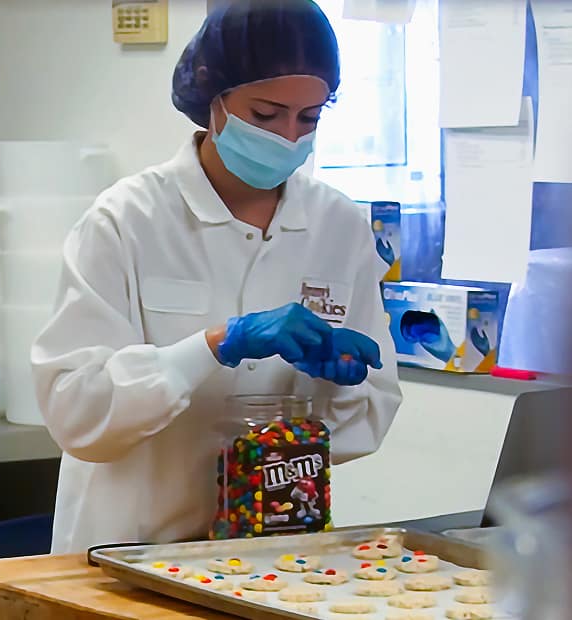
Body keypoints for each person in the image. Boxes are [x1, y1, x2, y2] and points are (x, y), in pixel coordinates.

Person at [32, 0, 402, 554]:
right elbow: (76, 414)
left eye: (310, 118)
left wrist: (340, 385)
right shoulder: (127, 219)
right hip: (128, 548)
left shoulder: (339, 225)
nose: (288, 137)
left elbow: (364, 424)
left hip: (275, 550)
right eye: (266, 115)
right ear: (214, 100)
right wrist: (210, 348)